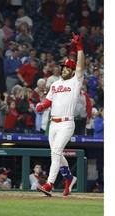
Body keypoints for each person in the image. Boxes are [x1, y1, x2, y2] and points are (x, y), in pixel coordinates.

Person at [35, 32, 84, 196]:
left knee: (56, 152)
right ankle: (69, 178)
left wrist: (79, 46)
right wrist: (42, 106)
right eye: (63, 67)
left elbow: (81, 66)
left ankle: (49, 184)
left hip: (66, 123)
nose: (65, 69)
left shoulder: (75, 82)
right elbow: (49, 101)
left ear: (72, 71)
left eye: (68, 68)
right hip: (53, 124)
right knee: (55, 152)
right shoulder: (55, 84)